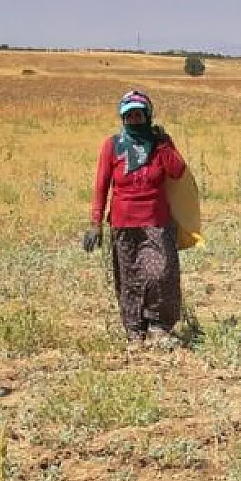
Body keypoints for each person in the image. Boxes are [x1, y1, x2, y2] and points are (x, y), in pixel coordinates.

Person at [83, 89, 189, 347]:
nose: (134, 120)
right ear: (122, 118)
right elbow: (101, 185)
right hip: (123, 222)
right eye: (129, 115)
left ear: (148, 116)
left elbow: (177, 171)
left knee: (160, 272)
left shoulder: (160, 144)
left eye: (139, 115)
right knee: (130, 278)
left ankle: (158, 324)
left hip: (156, 221)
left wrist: (163, 143)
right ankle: (134, 331)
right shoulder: (113, 145)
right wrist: (95, 223)